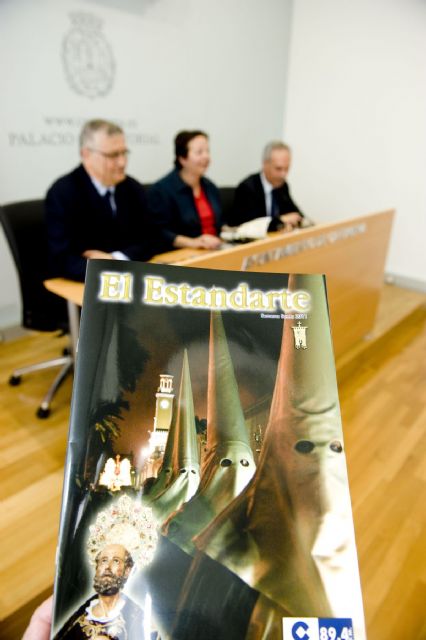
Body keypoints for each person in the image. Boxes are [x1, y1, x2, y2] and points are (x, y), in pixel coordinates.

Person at [46, 119, 161, 281]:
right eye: (113, 155)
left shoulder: (132, 188)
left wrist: (114, 260)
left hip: (131, 280)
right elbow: (62, 259)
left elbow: (151, 240)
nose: (122, 162)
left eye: (124, 153)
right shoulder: (63, 193)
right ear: (86, 154)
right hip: (83, 288)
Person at [147, 130, 222, 250]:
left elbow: (219, 224)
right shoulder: (161, 191)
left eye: (208, 151)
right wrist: (192, 242)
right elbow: (158, 232)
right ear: (182, 158)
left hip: (214, 250)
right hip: (184, 254)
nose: (206, 156)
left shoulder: (210, 187)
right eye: (199, 152)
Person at [53, 543, 144, 639]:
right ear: (97, 568)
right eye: (104, 560)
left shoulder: (137, 617)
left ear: (127, 571)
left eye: (116, 561)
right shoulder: (80, 616)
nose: (107, 567)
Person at [228, 141, 304, 231]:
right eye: (278, 169)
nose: (283, 175)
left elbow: (295, 214)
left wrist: (297, 219)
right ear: (265, 164)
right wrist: (281, 220)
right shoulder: (248, 187)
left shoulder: (282, 186)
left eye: (287, 168)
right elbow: (251, 224)